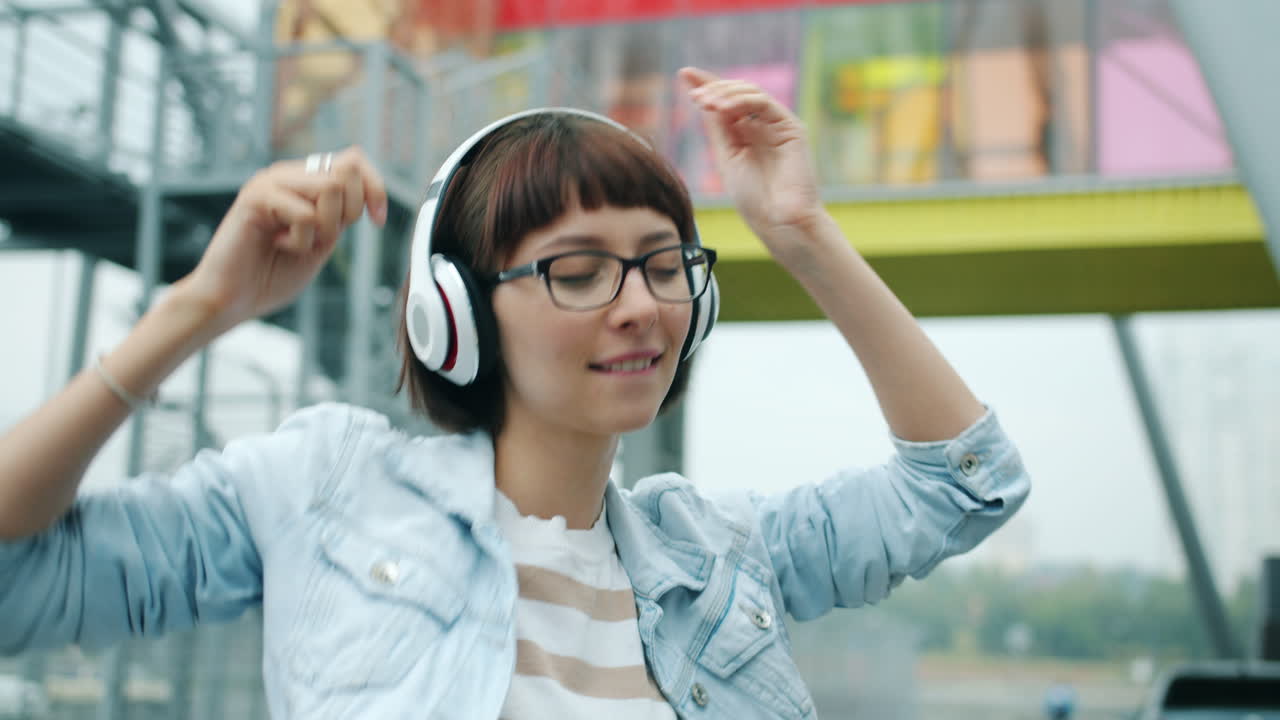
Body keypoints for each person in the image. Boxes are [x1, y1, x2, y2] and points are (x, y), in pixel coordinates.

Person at [0, 67, 1030, 719]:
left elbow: (962, 486)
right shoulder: (319, 491)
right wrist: (198, 308)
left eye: (663, 265)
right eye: (575, 271)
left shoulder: (720, 557)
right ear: (452, 313)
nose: (640, 307)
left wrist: (804, 234)